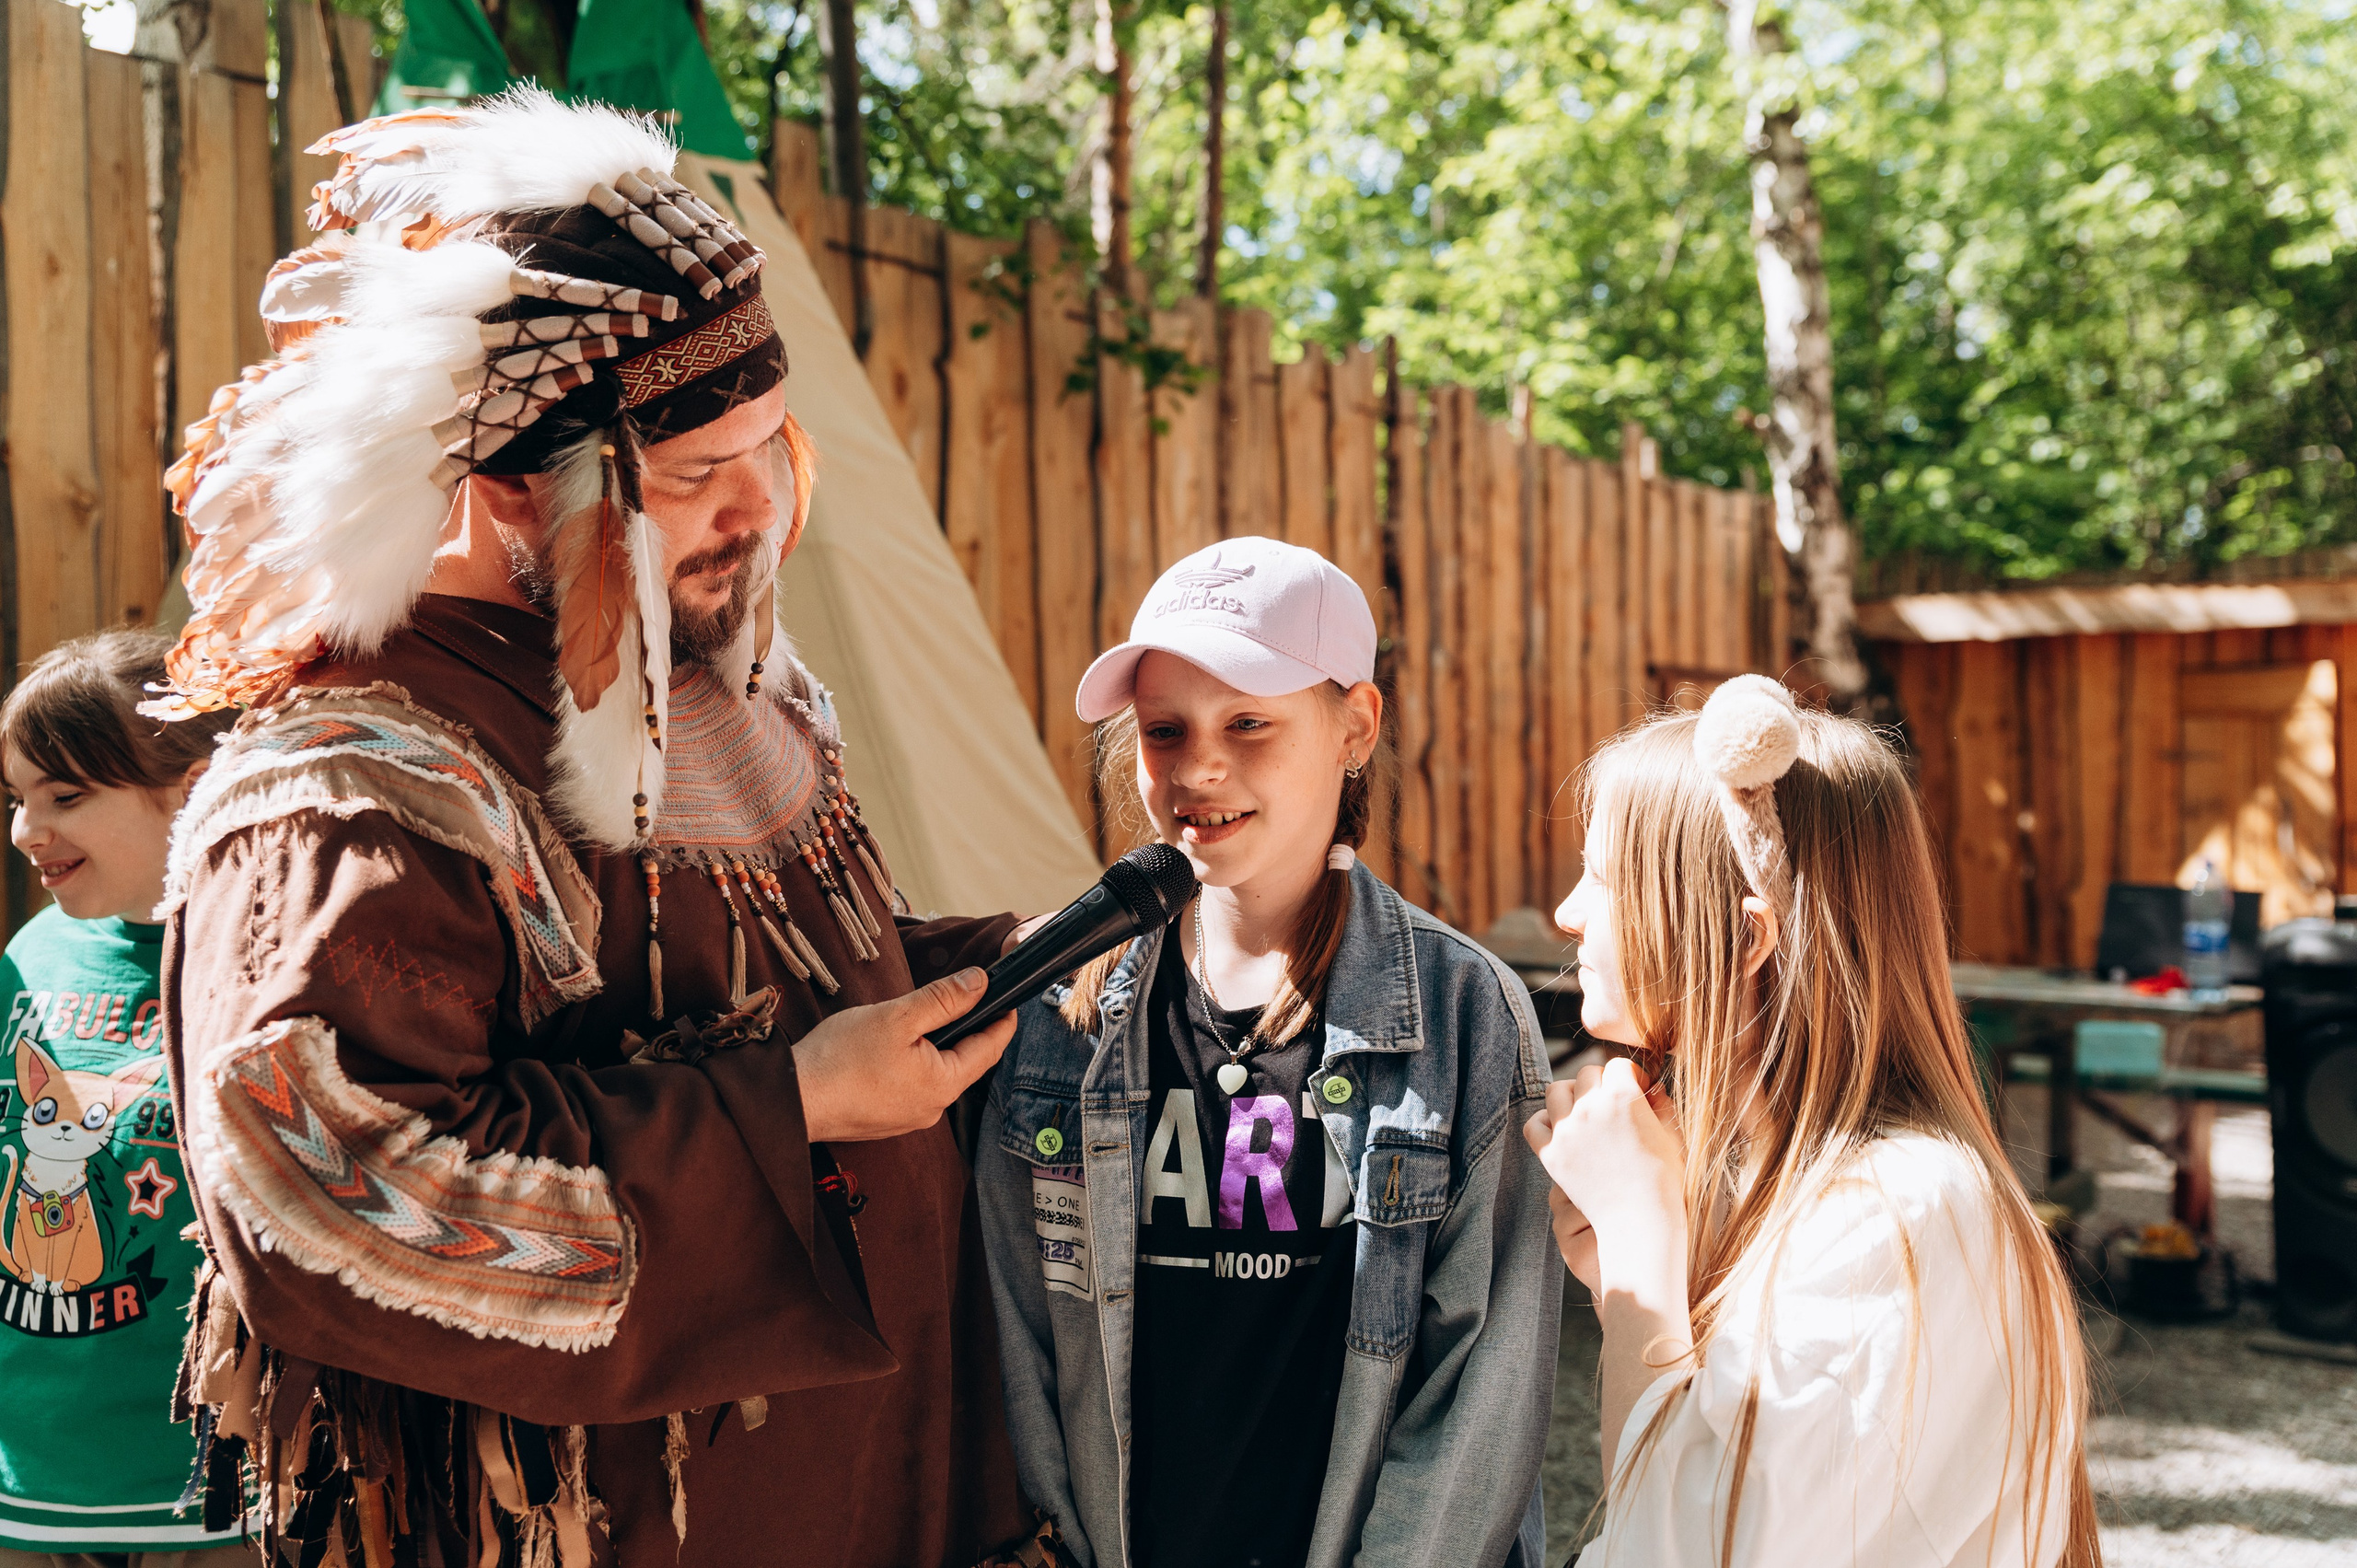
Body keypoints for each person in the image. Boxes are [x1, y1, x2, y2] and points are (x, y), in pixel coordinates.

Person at [155, 90, 1033, 1566]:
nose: (757, 507)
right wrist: (793, 1106)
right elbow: (328, 1186)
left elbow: (728, 982)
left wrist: (997, 967)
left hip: (876, 1492)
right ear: (505, 487)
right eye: (693, 472)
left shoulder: (710, 672)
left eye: (771, 442)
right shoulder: (352, 783)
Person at [976, 537, 1562, 1568]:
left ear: (1355, 724)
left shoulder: (1466, 1012)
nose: (1199, 768)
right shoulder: (1057, 1012)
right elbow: (1020, 1346)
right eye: (1165, 729)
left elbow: (1481, 1388)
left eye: (1249, 721)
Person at [1526, 676, 2098, 1566]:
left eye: (1603, 878)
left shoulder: (1902, 1214)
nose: (1567, 912)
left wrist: (1642, 1239)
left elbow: (1682, 1551)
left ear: (1746, 937)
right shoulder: (1803, 1188)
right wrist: (1626, 1285)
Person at [0, 630, 246, 1566]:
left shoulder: (266, 964)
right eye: (18, 798)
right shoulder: (28, 958)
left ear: (187, 788)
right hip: (28, 1496)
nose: (26, 829)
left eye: (64, 796)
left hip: (214, 1505)